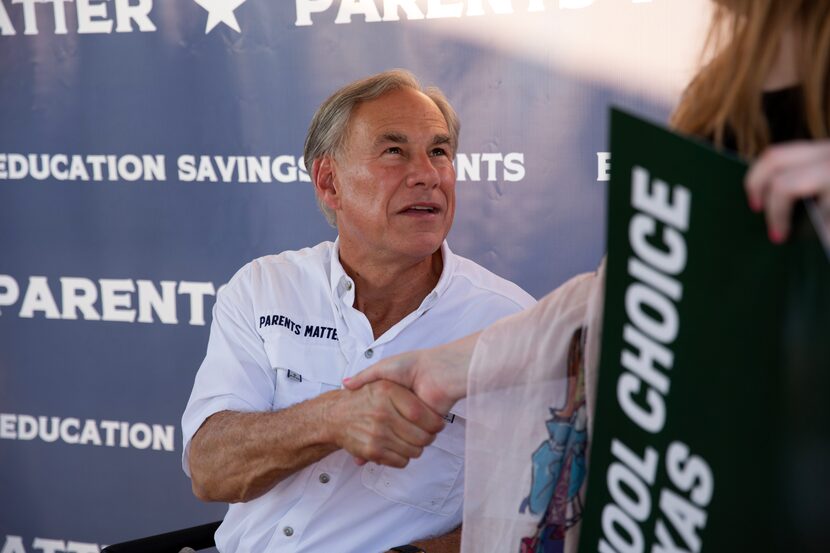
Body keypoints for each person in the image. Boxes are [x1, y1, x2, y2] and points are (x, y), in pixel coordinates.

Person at [345, 1, 830, 552]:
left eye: (439, 153)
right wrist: (452, 367)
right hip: (700, 460)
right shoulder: (725, 82)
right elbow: (633, 292)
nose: (425, 175)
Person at [180, 70, 536, 553]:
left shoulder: (512, 326)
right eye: (394, 152)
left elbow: (537, 516)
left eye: (439, 151)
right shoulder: (265, 287)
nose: (428, 175)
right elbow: (210, 471)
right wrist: (333, 418)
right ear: (330, 183)